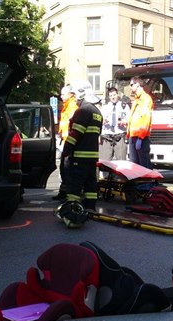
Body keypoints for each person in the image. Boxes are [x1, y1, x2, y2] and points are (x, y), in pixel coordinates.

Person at [57, 81, 103, 228]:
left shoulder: (82, 111)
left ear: (82, 94)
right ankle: (90, 208)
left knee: (74, 185)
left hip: (80, 156)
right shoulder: (97, 112)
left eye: (76, 95)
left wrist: (66, 151)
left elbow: (75, 134)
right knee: (91, 184)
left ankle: (72, 211)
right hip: (92, 156)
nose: (75, 99)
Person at [52, 85, 78, 201]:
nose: (61, 96)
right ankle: (64, 191)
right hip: (65, 139)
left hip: (70, 141)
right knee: (64, 167)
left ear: (70, 94)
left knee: (67, 167)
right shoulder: (67, 106)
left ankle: (67, 192)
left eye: (63, 94)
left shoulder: (72, 107)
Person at [126, 76, 153, 169]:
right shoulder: (137, 100)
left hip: (141, 138)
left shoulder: (145, 99)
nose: (130, 87)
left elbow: (146, 120)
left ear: (137, 84)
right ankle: (140, 183)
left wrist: (141, 138)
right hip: (134, 137)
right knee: (135, 166)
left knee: (144, 165)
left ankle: (148, 183)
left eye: (131, 84)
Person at [100, 87, 130, 161]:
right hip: (107, 137)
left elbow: (130, 119)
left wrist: (124, 122)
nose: (113, 97)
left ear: (117, 95)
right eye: (111, 96)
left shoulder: (124, 106)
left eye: (114, 95)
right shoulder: (105, 107)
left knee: (121, 162)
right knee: (105, 162)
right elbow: (100, 120)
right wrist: (103, 121)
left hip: (119, 136)